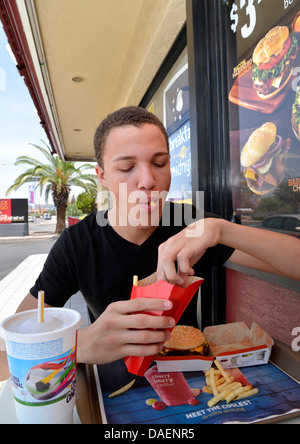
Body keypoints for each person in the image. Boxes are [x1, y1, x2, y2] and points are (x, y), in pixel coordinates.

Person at [0, 106, 300, 381]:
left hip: (196, 379)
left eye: (159, 163)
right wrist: (78, 344)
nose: (147, 180)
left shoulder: (192, 226)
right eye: (126, 168)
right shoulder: (78, 244)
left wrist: (222, 230)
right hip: (111, 387)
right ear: (102, 176)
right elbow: (8, 352)